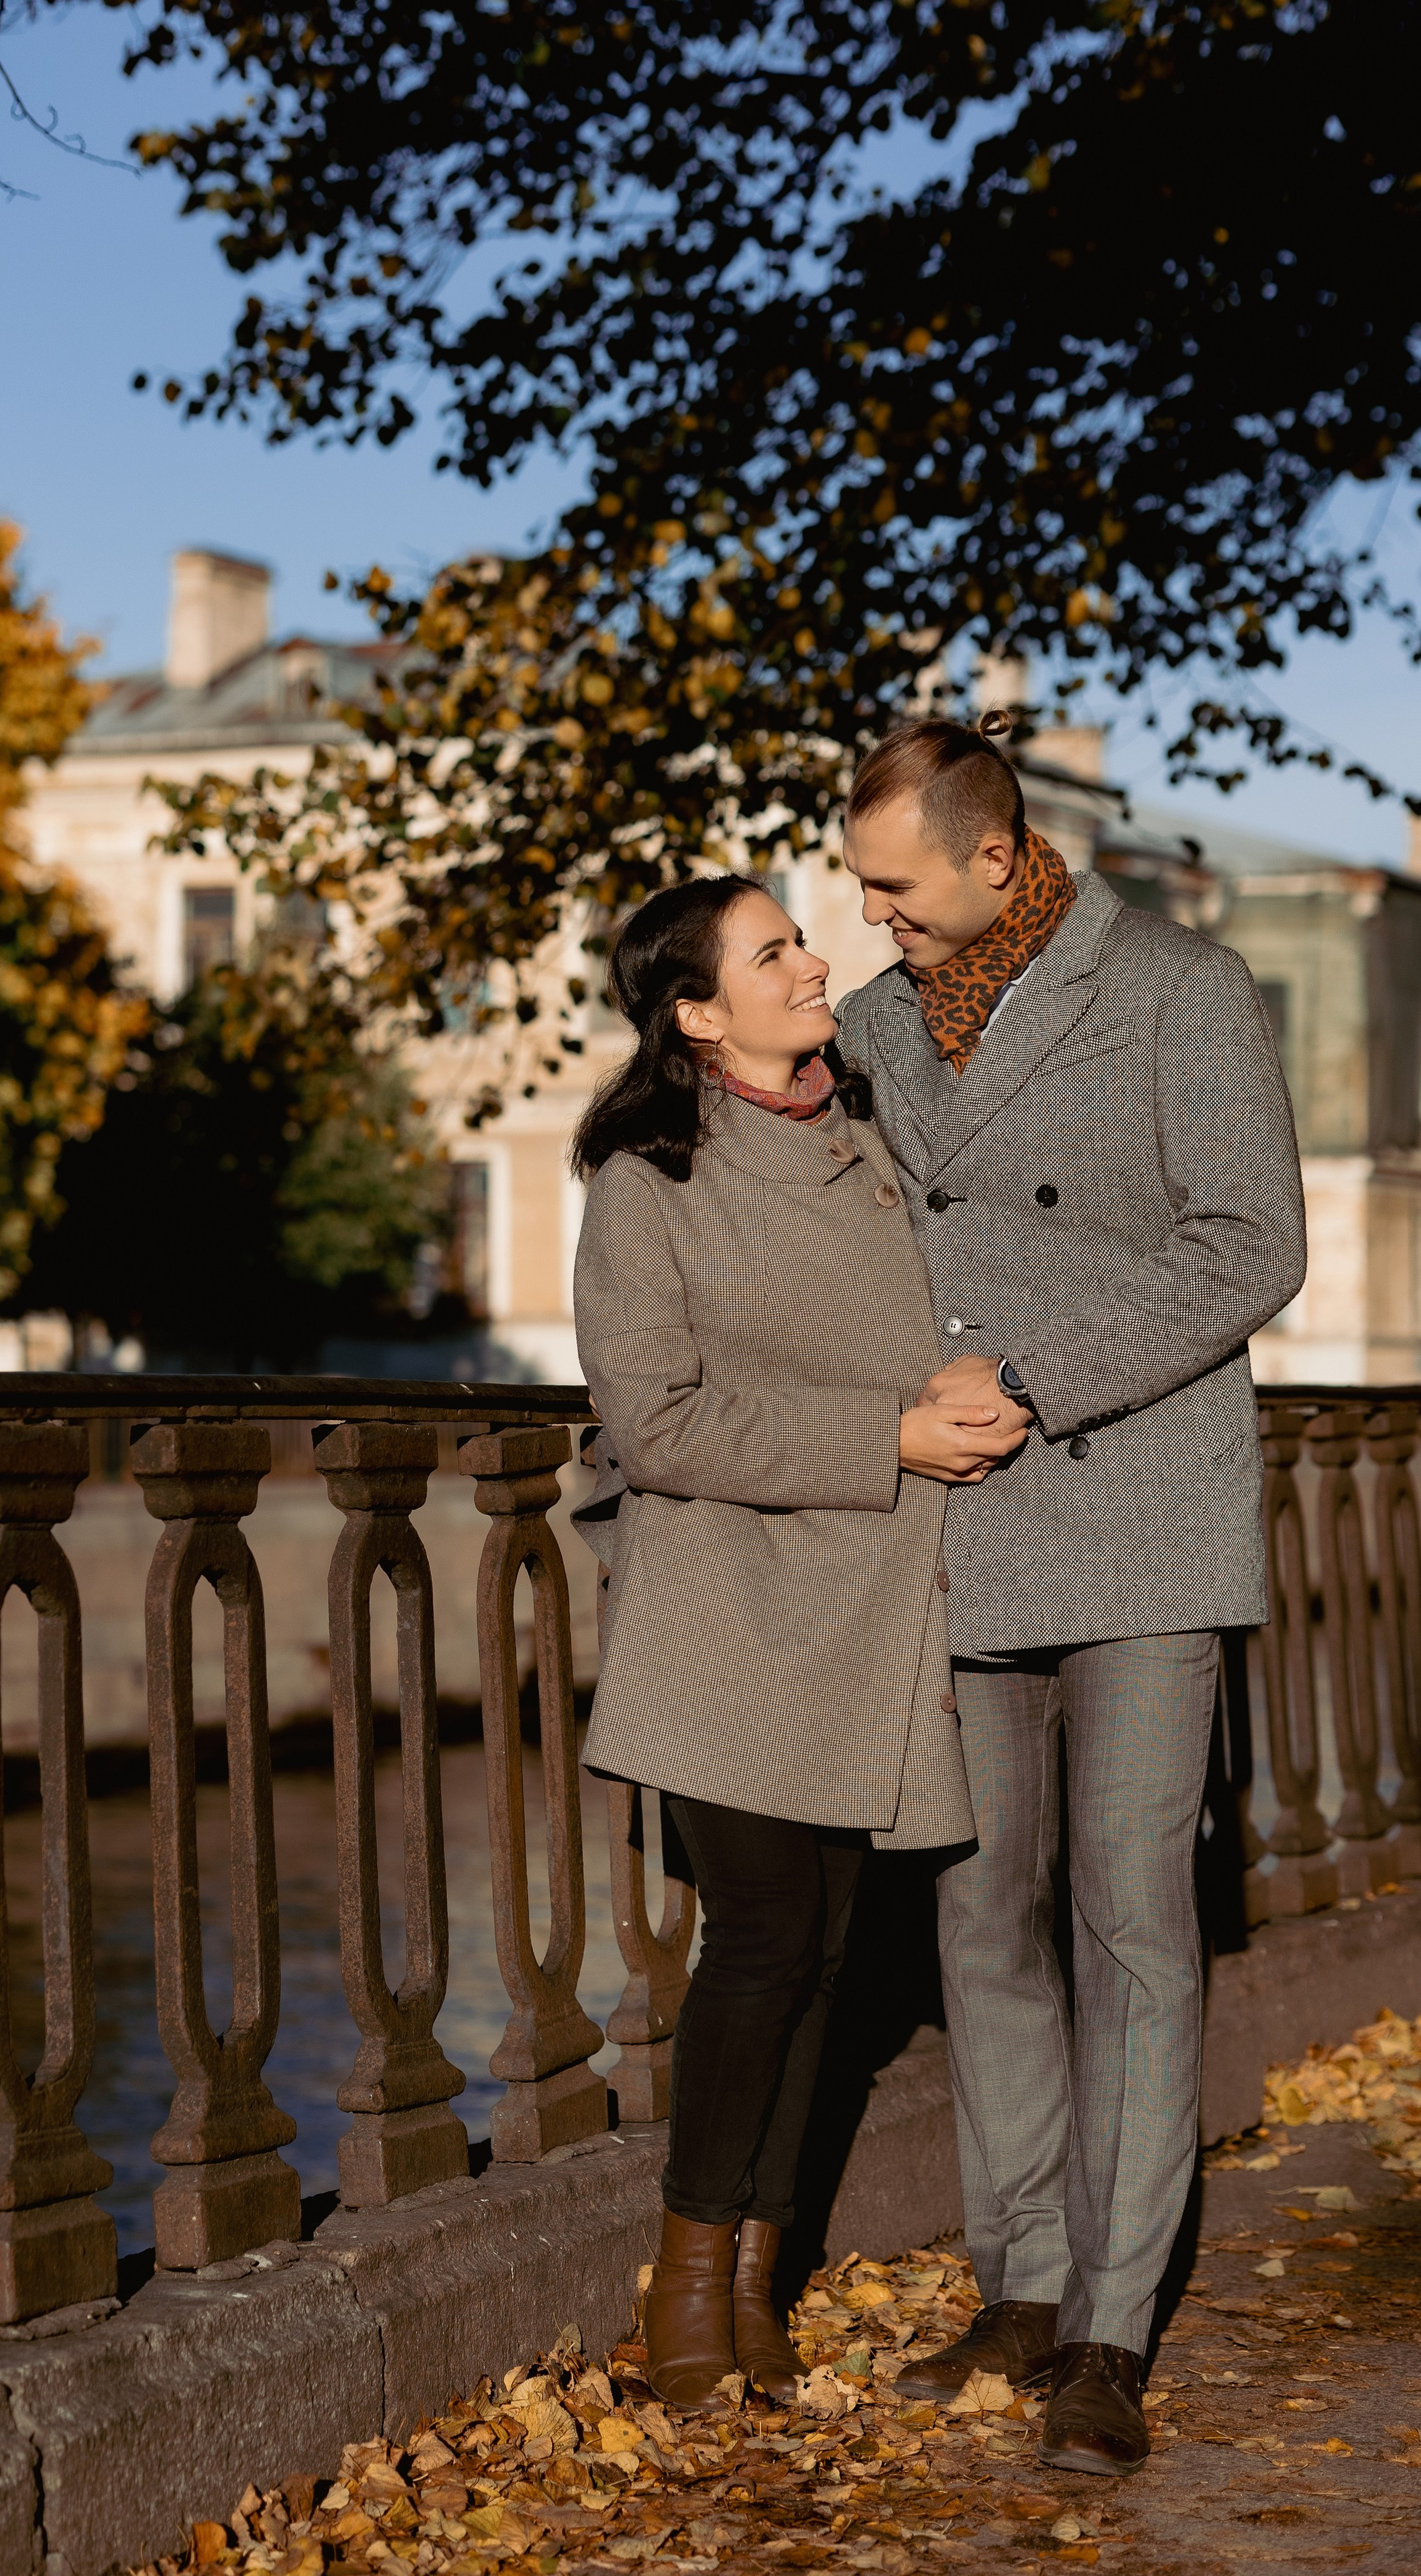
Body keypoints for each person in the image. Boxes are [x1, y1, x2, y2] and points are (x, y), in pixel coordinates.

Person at [834, 712, 1306, 2476]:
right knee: (980, 1913)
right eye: (859, 887)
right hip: (959, 1520)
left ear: (995, 855)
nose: (873, 916)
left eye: (895, 886)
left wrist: (1033, 1378)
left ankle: (1111, 2327)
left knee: (1128, 1916)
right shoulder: (872, 1027)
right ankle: (1022, 2286)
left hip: (1138, 1511)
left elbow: (1252, 1242)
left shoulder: (1181, 990)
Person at [570, 872, 1027, 2417]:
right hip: (725, 1611)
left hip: (876, 1599)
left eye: (799, 937)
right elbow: (653, 1421)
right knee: (762, 1938)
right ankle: (687, 2284)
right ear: (698, 1013)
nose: (811, 960)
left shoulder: (873, 1134)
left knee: (826, 1950)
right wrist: (884, 1434)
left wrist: (971, 1385)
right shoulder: (647, 1176)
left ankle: (757, 2279)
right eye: (771, 952)